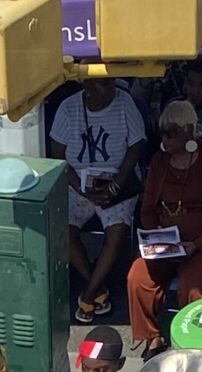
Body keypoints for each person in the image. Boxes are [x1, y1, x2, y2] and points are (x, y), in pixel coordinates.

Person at [125, 101, 202, 347]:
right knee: (138, 277)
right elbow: (148, 209)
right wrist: (156, 237)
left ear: (189, 130)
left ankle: (191, 342)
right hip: (166, 244)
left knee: (192, 287)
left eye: (171, 132)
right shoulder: (159, 160)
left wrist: (196, 244)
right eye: (162, 132)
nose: (165, 138)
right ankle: (152, 337)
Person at [48, 77, 146, 322]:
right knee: (60, 230)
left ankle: (89, 294)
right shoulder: (69, 107)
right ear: (88, 88)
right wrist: (80, 188)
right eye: (104, 85)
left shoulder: (125, 103)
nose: (111, 89)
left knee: (116, 233)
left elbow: (137, 146)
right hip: (79, 184)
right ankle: (98, 286)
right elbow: (57, 154)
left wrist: (116, 186)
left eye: (111, 84)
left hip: (116, 182)